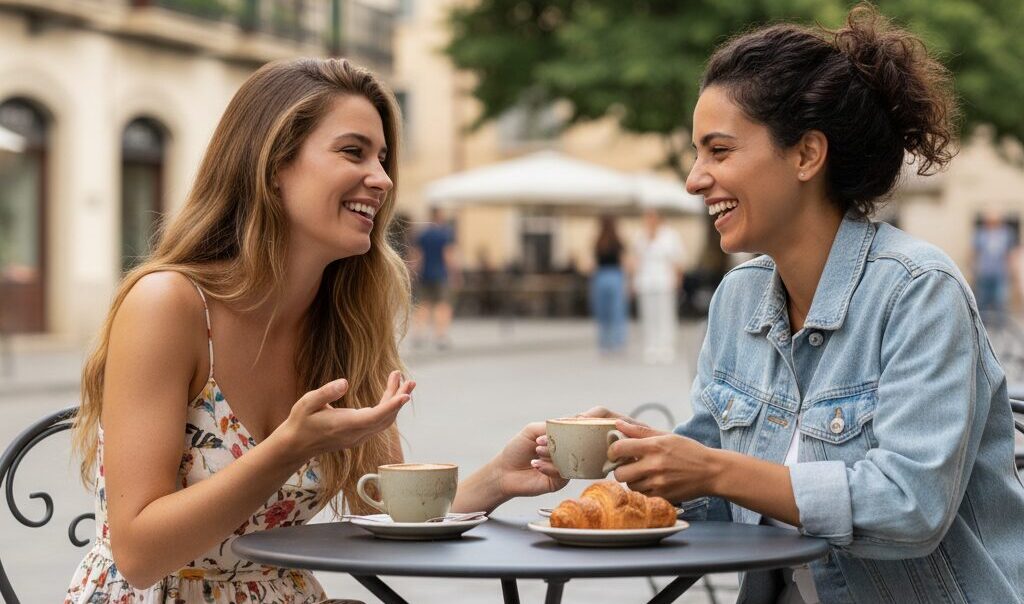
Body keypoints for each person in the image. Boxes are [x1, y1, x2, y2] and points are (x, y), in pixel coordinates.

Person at [64, 57, 569, 604]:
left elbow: (387, 513)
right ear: (273, 165)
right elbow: (139, 554)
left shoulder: (344, 321)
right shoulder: (170, 305)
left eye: (383, 157)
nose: (382, 178)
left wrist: (498, 478)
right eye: (353, 152)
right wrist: (287, 448)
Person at [589, 6, 1024, 603]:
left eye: (718, 151)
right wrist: (633, 453)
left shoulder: (919, 291)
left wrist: (714, 470)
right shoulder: (738, 298)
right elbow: (715, 501)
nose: (694, 179)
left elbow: (909, 506)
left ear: (805, 155)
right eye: (697, 154)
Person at [633, 208, 684, 364]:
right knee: (649, 314)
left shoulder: (669, 236)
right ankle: (651, 345)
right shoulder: (641, 236)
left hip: (664, 281)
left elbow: (677, 259)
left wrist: (677, 279)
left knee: (665, 314)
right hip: (646, 281)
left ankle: (666, 346)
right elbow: (637, 259)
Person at [411, 207, 459, 350]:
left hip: (424, 274)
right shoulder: (446, 234)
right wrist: (455, 274)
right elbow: (447, 256)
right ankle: (440, 335)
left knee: (423, 304)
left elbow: (416, 256)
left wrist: (412, 273)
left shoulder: (423, 234)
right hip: (441, 274)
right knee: (442, 305)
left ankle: (419, 334)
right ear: (440, 216)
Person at [590, 215, 628, 354]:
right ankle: (617, 342)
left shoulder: (598, 241)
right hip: (615, 276)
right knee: (616, 310)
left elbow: (593, 263)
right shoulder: (617, 240)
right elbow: (623, 261)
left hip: (601, 276)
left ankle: (604, 342)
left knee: (603, 311)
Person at [972, 210, 1015, 320]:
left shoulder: (1005, 234)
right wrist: (973, 268)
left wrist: (1010, 270)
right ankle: (982, 325)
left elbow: (1009, 254)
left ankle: (1001, 328)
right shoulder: (981, 234)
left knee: (1000, 300)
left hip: (1000, 273)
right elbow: (974, 252)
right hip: (984, 272)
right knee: (982, 300)